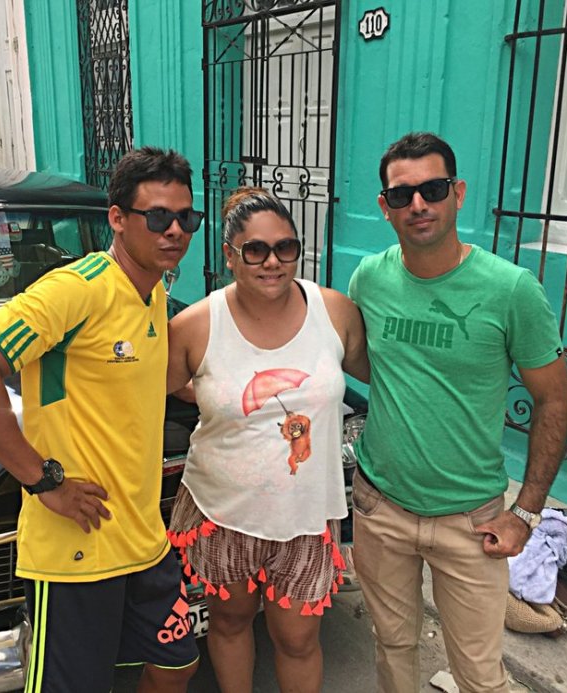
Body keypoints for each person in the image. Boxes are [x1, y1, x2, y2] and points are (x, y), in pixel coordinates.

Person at [0, 146, 201, 693]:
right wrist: (42, 481)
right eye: (157, 216)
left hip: (143, 538)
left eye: (186, 218)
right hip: (78, 549)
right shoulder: (76, 289)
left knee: (175, 663)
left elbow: (147, 385)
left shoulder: (153, 292)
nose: (174, 230)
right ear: (118, 219)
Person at [347, 132, 567, 693]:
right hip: (381, 508)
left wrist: (526, 513)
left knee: (478, 673)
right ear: (385, 206)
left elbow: (554, 400)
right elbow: (373, 366)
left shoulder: (511, 289)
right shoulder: (369, 279)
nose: (418, 204)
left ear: (458, 193)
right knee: (393, 650)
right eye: (402, 195)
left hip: (472, 521)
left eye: (433, 188)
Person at [166, 187, 368, 693]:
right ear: (230, 255)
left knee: (298, 638)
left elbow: (385, 377)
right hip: (223, 509)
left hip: (304, 513)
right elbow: (157, 391)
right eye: (255, 250)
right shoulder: (194, 326)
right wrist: (213, 395)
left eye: (286, 248)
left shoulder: (336, 312)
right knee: (230, 622)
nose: (272, 262)